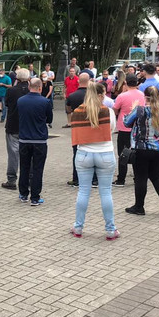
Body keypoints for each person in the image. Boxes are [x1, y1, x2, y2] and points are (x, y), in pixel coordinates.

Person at [70, 84, 119, 240]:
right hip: (105, 153)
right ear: (100, 94)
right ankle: (111, 229)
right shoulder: (108, 111)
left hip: (84, 153)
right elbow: (112, 129)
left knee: (83, 191)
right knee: (106, 192)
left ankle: (78, 227)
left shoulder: (77, 112)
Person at [123, 86, 159, 216]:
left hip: (142, 148)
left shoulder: (140, 110)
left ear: (145, 97)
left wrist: (132, 108)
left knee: (141, 177)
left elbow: (126, 122)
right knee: (156, 176)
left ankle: (139, 207)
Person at [17, 77, 53, 206]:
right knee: (38, 169)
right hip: (39, 140)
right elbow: (49, 119)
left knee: (24, 167)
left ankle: (23, 194)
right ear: (40, 88)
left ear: (28, 87)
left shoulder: (20, 101)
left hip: (24, 139)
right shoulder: (45, 102)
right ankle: (35, 197)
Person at [112, 74, 145, 187]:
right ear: (136, 83)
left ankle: (121, 179)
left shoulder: (122, 96)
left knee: (123, 153)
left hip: (124, 127)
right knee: (137, 152)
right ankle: (138, 177)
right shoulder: (142, 95)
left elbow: (115, 109)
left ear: (125, 82)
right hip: (138, 127)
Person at [1, 68, 30, 190]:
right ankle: (27, 179)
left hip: (13, 125)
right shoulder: (31, 91)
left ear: (16, 78)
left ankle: (11, 180)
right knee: (28, 155)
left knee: (13, 154)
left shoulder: (11, 91)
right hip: (28, 127)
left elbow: (6, 104)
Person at [65, 73, 90, 186]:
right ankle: (93, 178)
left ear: (78, 81)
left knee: (76, 153)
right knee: (92, 153)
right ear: (89, 81)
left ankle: (76, 178)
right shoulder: (92, 96)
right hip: (91, 128)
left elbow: (68, 110)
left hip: (77, 129)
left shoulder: (72, 96)